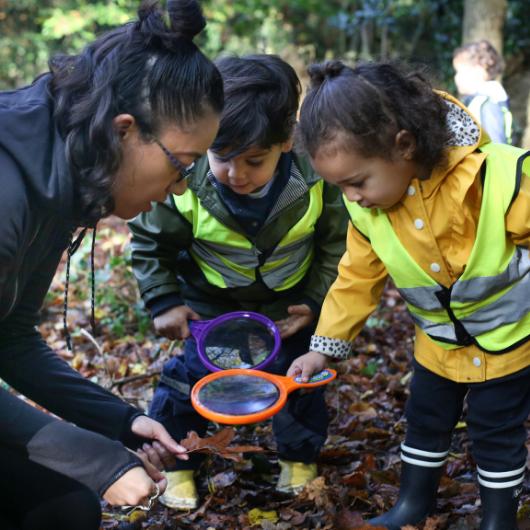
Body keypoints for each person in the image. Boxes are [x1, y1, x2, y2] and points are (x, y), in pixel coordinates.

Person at [0, 0, 223, 528]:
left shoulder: (60, 182)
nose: (178, 190)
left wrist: (122, 424)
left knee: (62, 510)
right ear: (125, 130)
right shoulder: (9, 189)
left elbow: (10, 337)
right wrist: (98, 462)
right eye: (181, 165)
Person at [287, 60, 529, 529]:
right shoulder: (370, 212)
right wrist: (322, 348)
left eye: (356, 182)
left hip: (509, 345)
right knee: (424, 421)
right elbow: (355, 278)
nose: (352, 197)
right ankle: (412, 505)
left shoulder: (496, 180)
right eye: (340, 187)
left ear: (404, 145)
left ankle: (498, 519)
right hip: (438, 349)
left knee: (496, 432)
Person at [129, 54, 348, 510]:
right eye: (222, 157)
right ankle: (179, 464)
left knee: (301, 381)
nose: (236, 174)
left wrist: (313, 299)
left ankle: (298, 458)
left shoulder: (316, 178)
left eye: (254, 160)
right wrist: (163, 299)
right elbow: (151, 242)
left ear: (286, 141)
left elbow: (337, 245)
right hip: (210, 308)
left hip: (288, 308)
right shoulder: (184, 181)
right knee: (188, 380)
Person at [453, 39, 513, 144]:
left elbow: (496, 145)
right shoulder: (480, 100)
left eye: (459, 71)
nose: (456, 77)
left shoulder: (488, 102)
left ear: (479, 70)